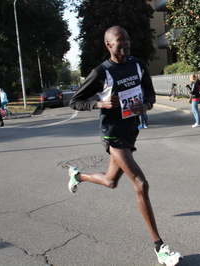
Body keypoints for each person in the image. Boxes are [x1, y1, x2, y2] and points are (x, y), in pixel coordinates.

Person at [68, 26, 182, 266]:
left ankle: (78, 175)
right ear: (109, 45)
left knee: (111, 182)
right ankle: (160, 247)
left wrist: (146, 106)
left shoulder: (138, 65)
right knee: (141, 184)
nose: (126, 43)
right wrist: (102, 104)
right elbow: (75, 101)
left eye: (128, 38)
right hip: (112, 135)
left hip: (131, 132)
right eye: (121, 40)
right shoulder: (101, 72)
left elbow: (149, 95)